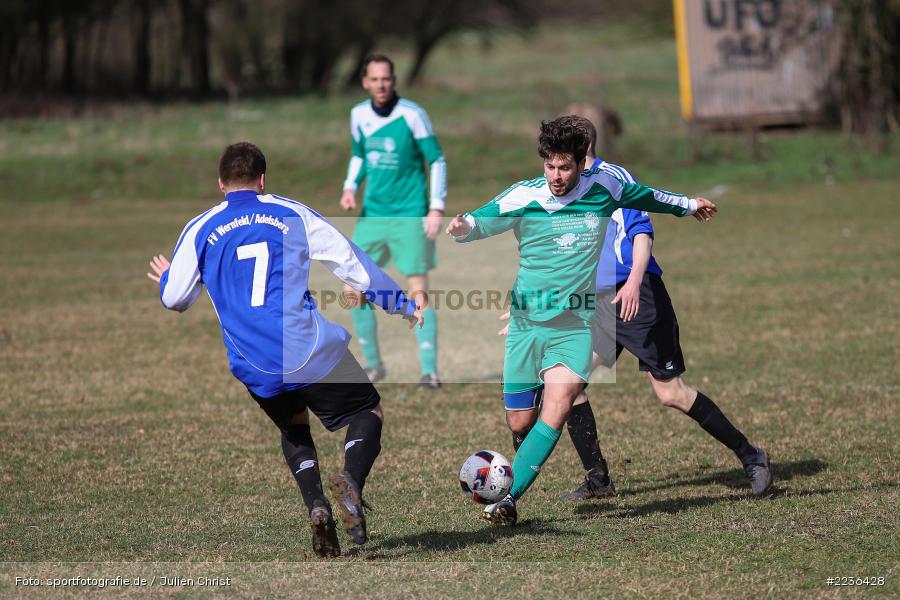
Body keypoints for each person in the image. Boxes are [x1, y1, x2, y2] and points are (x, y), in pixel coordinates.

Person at [147, 142, 423, 558]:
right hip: (305, 348)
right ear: (262, 180)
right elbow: (349, 261)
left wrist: (169, 277)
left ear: (221, 184)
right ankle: (349, 479)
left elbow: (176, 299)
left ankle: (317, 506)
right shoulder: (290, 212)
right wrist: (398, 302)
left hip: (253, 362)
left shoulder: (200, 226)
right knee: (368, 412)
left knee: (294, 425)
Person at [446, 116, 717, 525]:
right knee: (520, 420)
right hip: (526, 324)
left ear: (580, 163)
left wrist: (690, 204)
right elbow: (483, 218)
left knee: (557, 408)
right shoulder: (526, 194)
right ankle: (526, 459)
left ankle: (507, 501)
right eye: (550, 167)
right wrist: (463, 226)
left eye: (565, 167)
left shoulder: (605, 188)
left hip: (574, 324)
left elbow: (650, 197)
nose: (556, 176)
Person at [502, 117, 773, 501]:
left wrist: (633, 281)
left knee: (671, 393)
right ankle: (598, 480)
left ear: (584, 150)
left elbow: (641, 231)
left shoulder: (611, 179)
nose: (558, 167)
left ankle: (752, 456)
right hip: (593, 304)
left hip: (637, 296)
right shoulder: (558, 193)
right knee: (570, 386)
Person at [340, 53, 447, 388]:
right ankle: (374, 365)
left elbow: (437, 160)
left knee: (418, 292)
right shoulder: (358, 114)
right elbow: (359, 154)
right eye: (375, 79)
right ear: (365, 82)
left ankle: (429, 371)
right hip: (372, 215)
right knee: (353, 289)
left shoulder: (413, 115)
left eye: (386, 78)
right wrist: (349, 187)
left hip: (409, 214)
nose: (381, 84)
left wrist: (435, 207)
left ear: (393, 80)